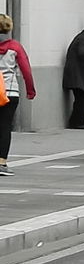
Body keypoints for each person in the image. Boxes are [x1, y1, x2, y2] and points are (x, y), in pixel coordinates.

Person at [0, 14, 36, 176]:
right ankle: (2, 162)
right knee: (5, 126)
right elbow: (26, 69)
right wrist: (30, 90)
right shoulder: (15, 47)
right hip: (9, 91)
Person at [63, 16, 84, 129]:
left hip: (75, 74)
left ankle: (77, 122)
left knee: (80, 99)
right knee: (82, 98)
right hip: (77, 75)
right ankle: (76, 123)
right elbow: (83, 53)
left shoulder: (81, 38)